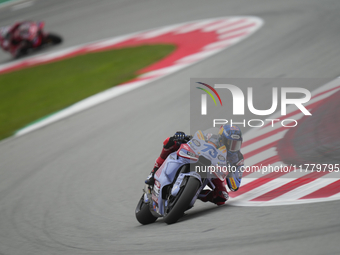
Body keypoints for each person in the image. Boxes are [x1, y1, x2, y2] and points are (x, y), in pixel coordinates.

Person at [145, 124, 244, 206]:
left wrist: (230, 170)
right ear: (222, 139)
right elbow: (197, 138)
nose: (233, 147)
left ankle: (193, 194)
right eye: (230, 143)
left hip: (214, 172)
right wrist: (184, 137)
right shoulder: (212, 138)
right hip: (198, 157)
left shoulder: (237, 158)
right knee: (170, 141)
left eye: (236, 144)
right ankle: (154, 171)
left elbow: (234, 186)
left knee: (222, 197)